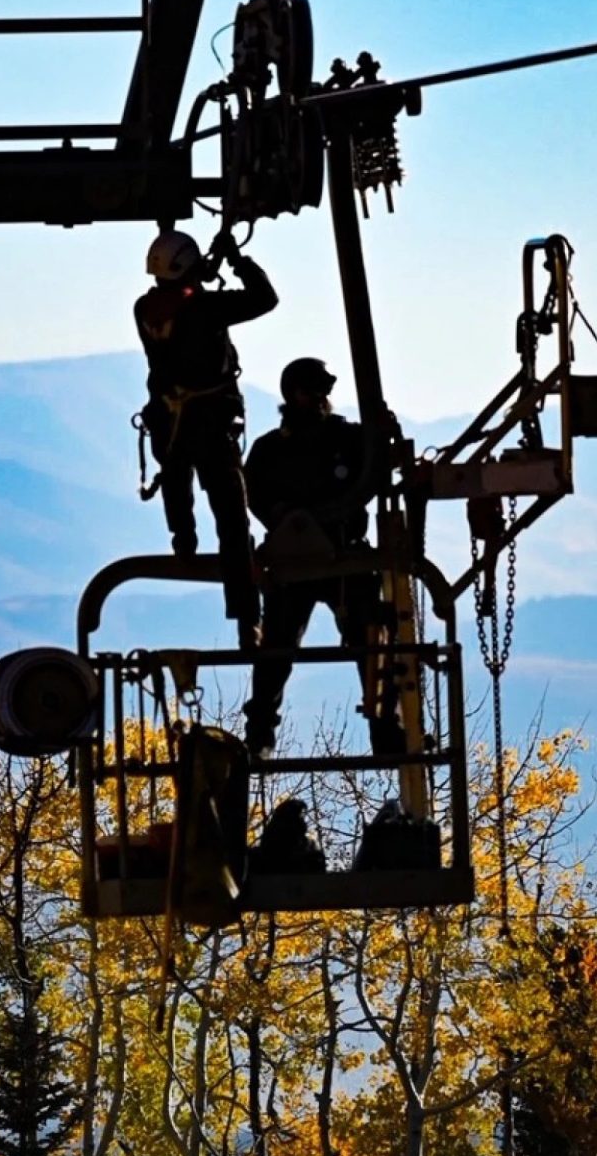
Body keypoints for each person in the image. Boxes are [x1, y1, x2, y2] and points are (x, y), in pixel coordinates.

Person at [242, 357, 399, 759]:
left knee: (371, 638)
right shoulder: (269, 452)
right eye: (312, 390)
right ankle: (259, 736)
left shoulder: (349, 439)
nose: (320, 397)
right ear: (292, 395)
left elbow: (383, 463)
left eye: (322, 390)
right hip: (296, 562)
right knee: (276, 650)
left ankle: (387, 729)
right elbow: (255, 498)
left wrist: (386, 433)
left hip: (344, 558)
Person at [135, 227, 277, 647]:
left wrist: (203, 273)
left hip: (168, 422)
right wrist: (237, 260)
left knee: (177, 486)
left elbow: (182, 300)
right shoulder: (204, 309)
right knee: (233, 522)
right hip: (209, 424)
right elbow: (263, 298)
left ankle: (184, 541)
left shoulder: (145, 307)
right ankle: (247, 619)